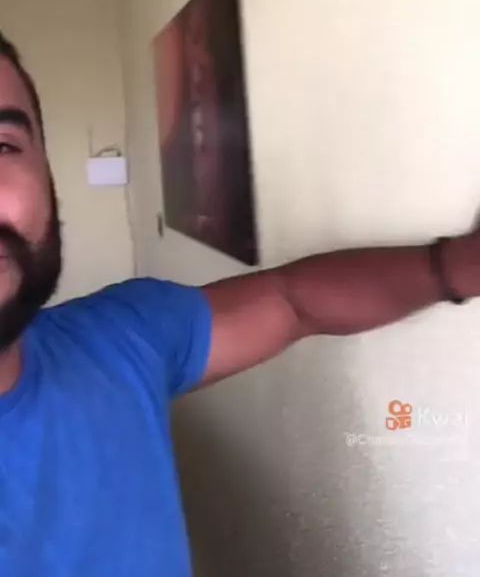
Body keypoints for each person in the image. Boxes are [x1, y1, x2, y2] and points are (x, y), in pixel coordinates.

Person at [0, 30, 477, 577]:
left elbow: (294, 301)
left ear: (48, 175)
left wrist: (459, 266)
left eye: (2, 146)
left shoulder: (121, 338)